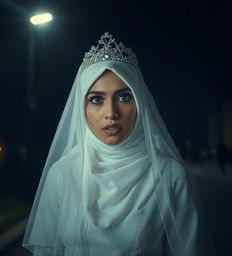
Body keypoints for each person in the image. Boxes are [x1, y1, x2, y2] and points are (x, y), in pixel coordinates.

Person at [22, 32, 217, 255]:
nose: (111, 113)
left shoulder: (169, 174)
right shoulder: (62, 174)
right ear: (81, 109)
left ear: (140, 102)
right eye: (96, 99)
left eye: (124, 97)